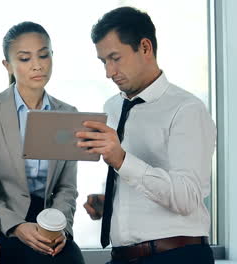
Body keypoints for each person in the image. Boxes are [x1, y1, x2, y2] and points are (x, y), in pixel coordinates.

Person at [76, 6, 216, 264]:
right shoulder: (112, 107)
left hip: (176, 256)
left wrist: (121, 159)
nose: (109, 72)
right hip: (122, 257)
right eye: (103, 61)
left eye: (115, 58)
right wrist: (112, 205)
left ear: (145, 47)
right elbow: (141, 185)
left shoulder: (187, 109)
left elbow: (187, 197)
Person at [0, 21, 85, 264]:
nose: (37, 65)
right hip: (5, 224)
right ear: (8, 66)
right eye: (25, 59)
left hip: (51, 226)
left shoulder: (68, 114)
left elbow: (67, 187)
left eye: (44, 55)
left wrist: (60, 228)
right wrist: (15, 226)